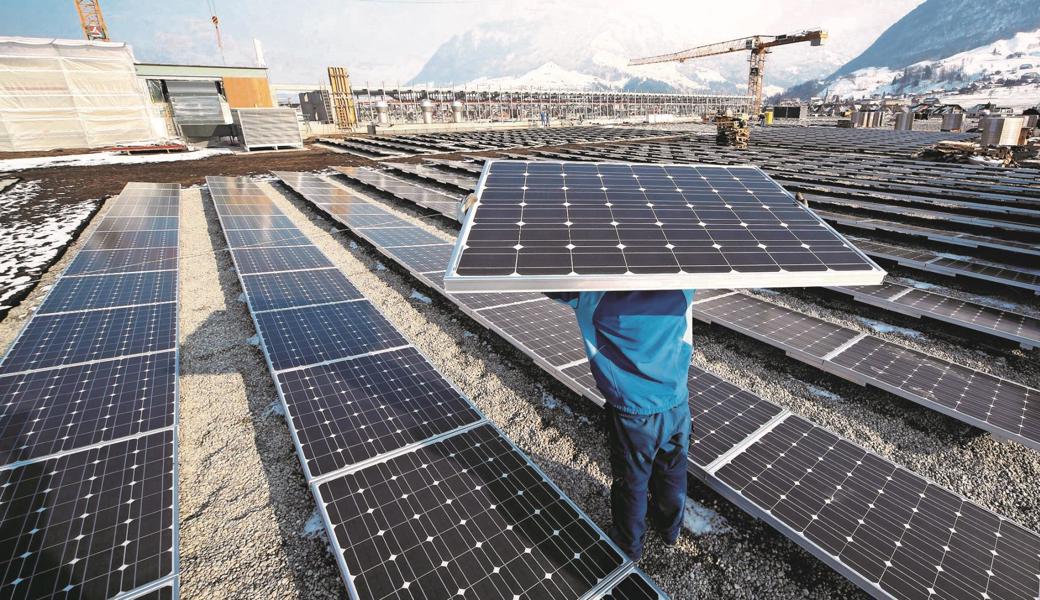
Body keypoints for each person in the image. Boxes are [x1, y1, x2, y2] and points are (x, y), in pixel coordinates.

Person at [547, 290, 695, 561]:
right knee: (674, 471)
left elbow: (547, 279)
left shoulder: (591, 292)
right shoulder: (683, 284)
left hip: (631, 414)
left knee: (632, 482)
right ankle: (670, 531)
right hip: (677, 403)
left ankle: (628, 547)